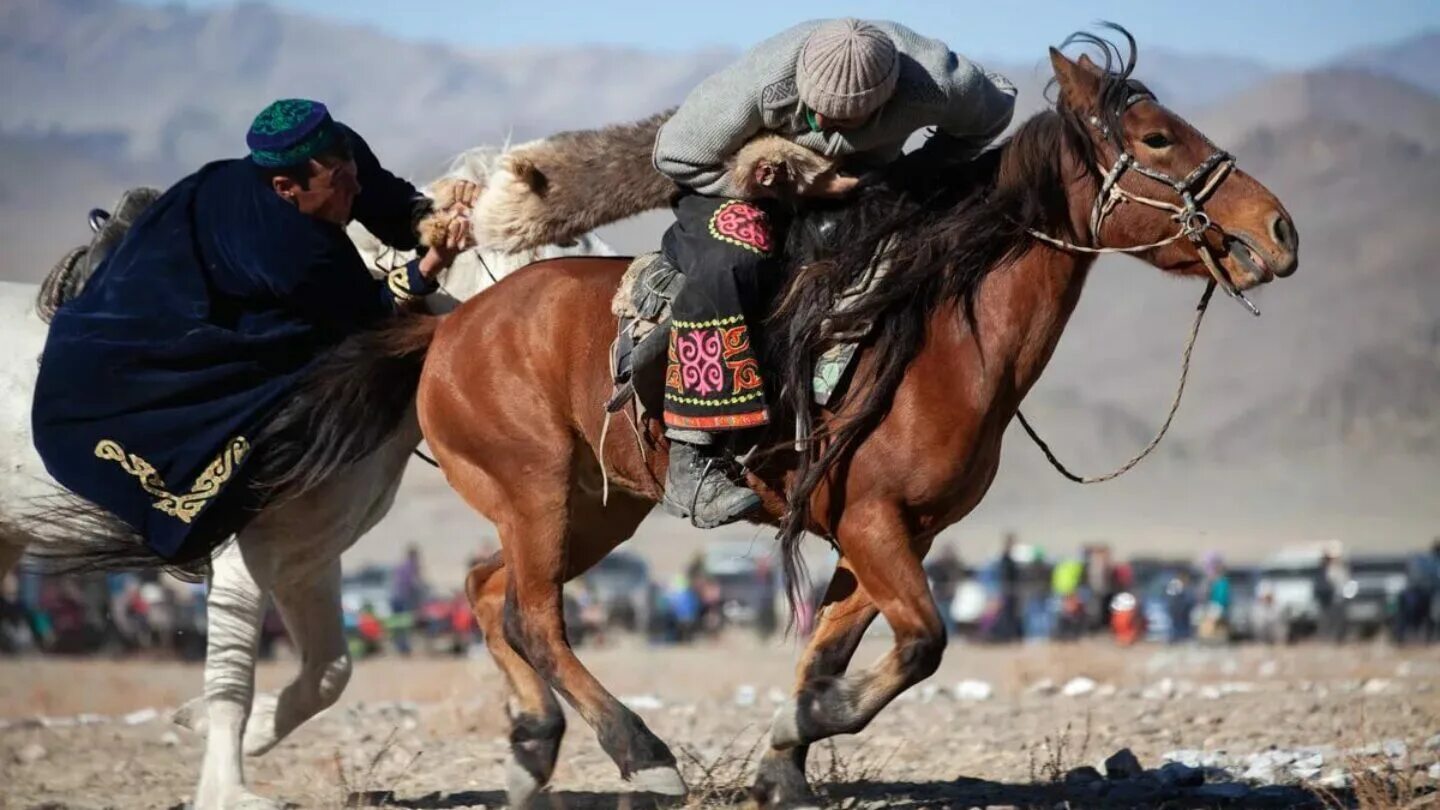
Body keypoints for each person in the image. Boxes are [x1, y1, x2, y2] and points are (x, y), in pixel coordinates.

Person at [31, 99, 475, 564]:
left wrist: (435, 214)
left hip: (225, 235)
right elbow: (369, 311)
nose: (354, 187)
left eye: (351, 171)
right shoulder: (291, 251)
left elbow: (385, 200)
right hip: (170, 313)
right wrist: (431, 264)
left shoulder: (336, 155)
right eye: (340, 184)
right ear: (285, 187)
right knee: (292, 369)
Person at [652, 18, 1017, 527]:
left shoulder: (935, 81)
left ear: (890, 98)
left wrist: (917, 171)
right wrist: (795, 186)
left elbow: (994, 110)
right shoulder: (756, 86)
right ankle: (691, 459)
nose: (829, 126)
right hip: (735, 189)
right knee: (732, 262)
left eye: (852, 120)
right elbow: (674, 156)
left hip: (855, 187)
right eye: (818, 115)